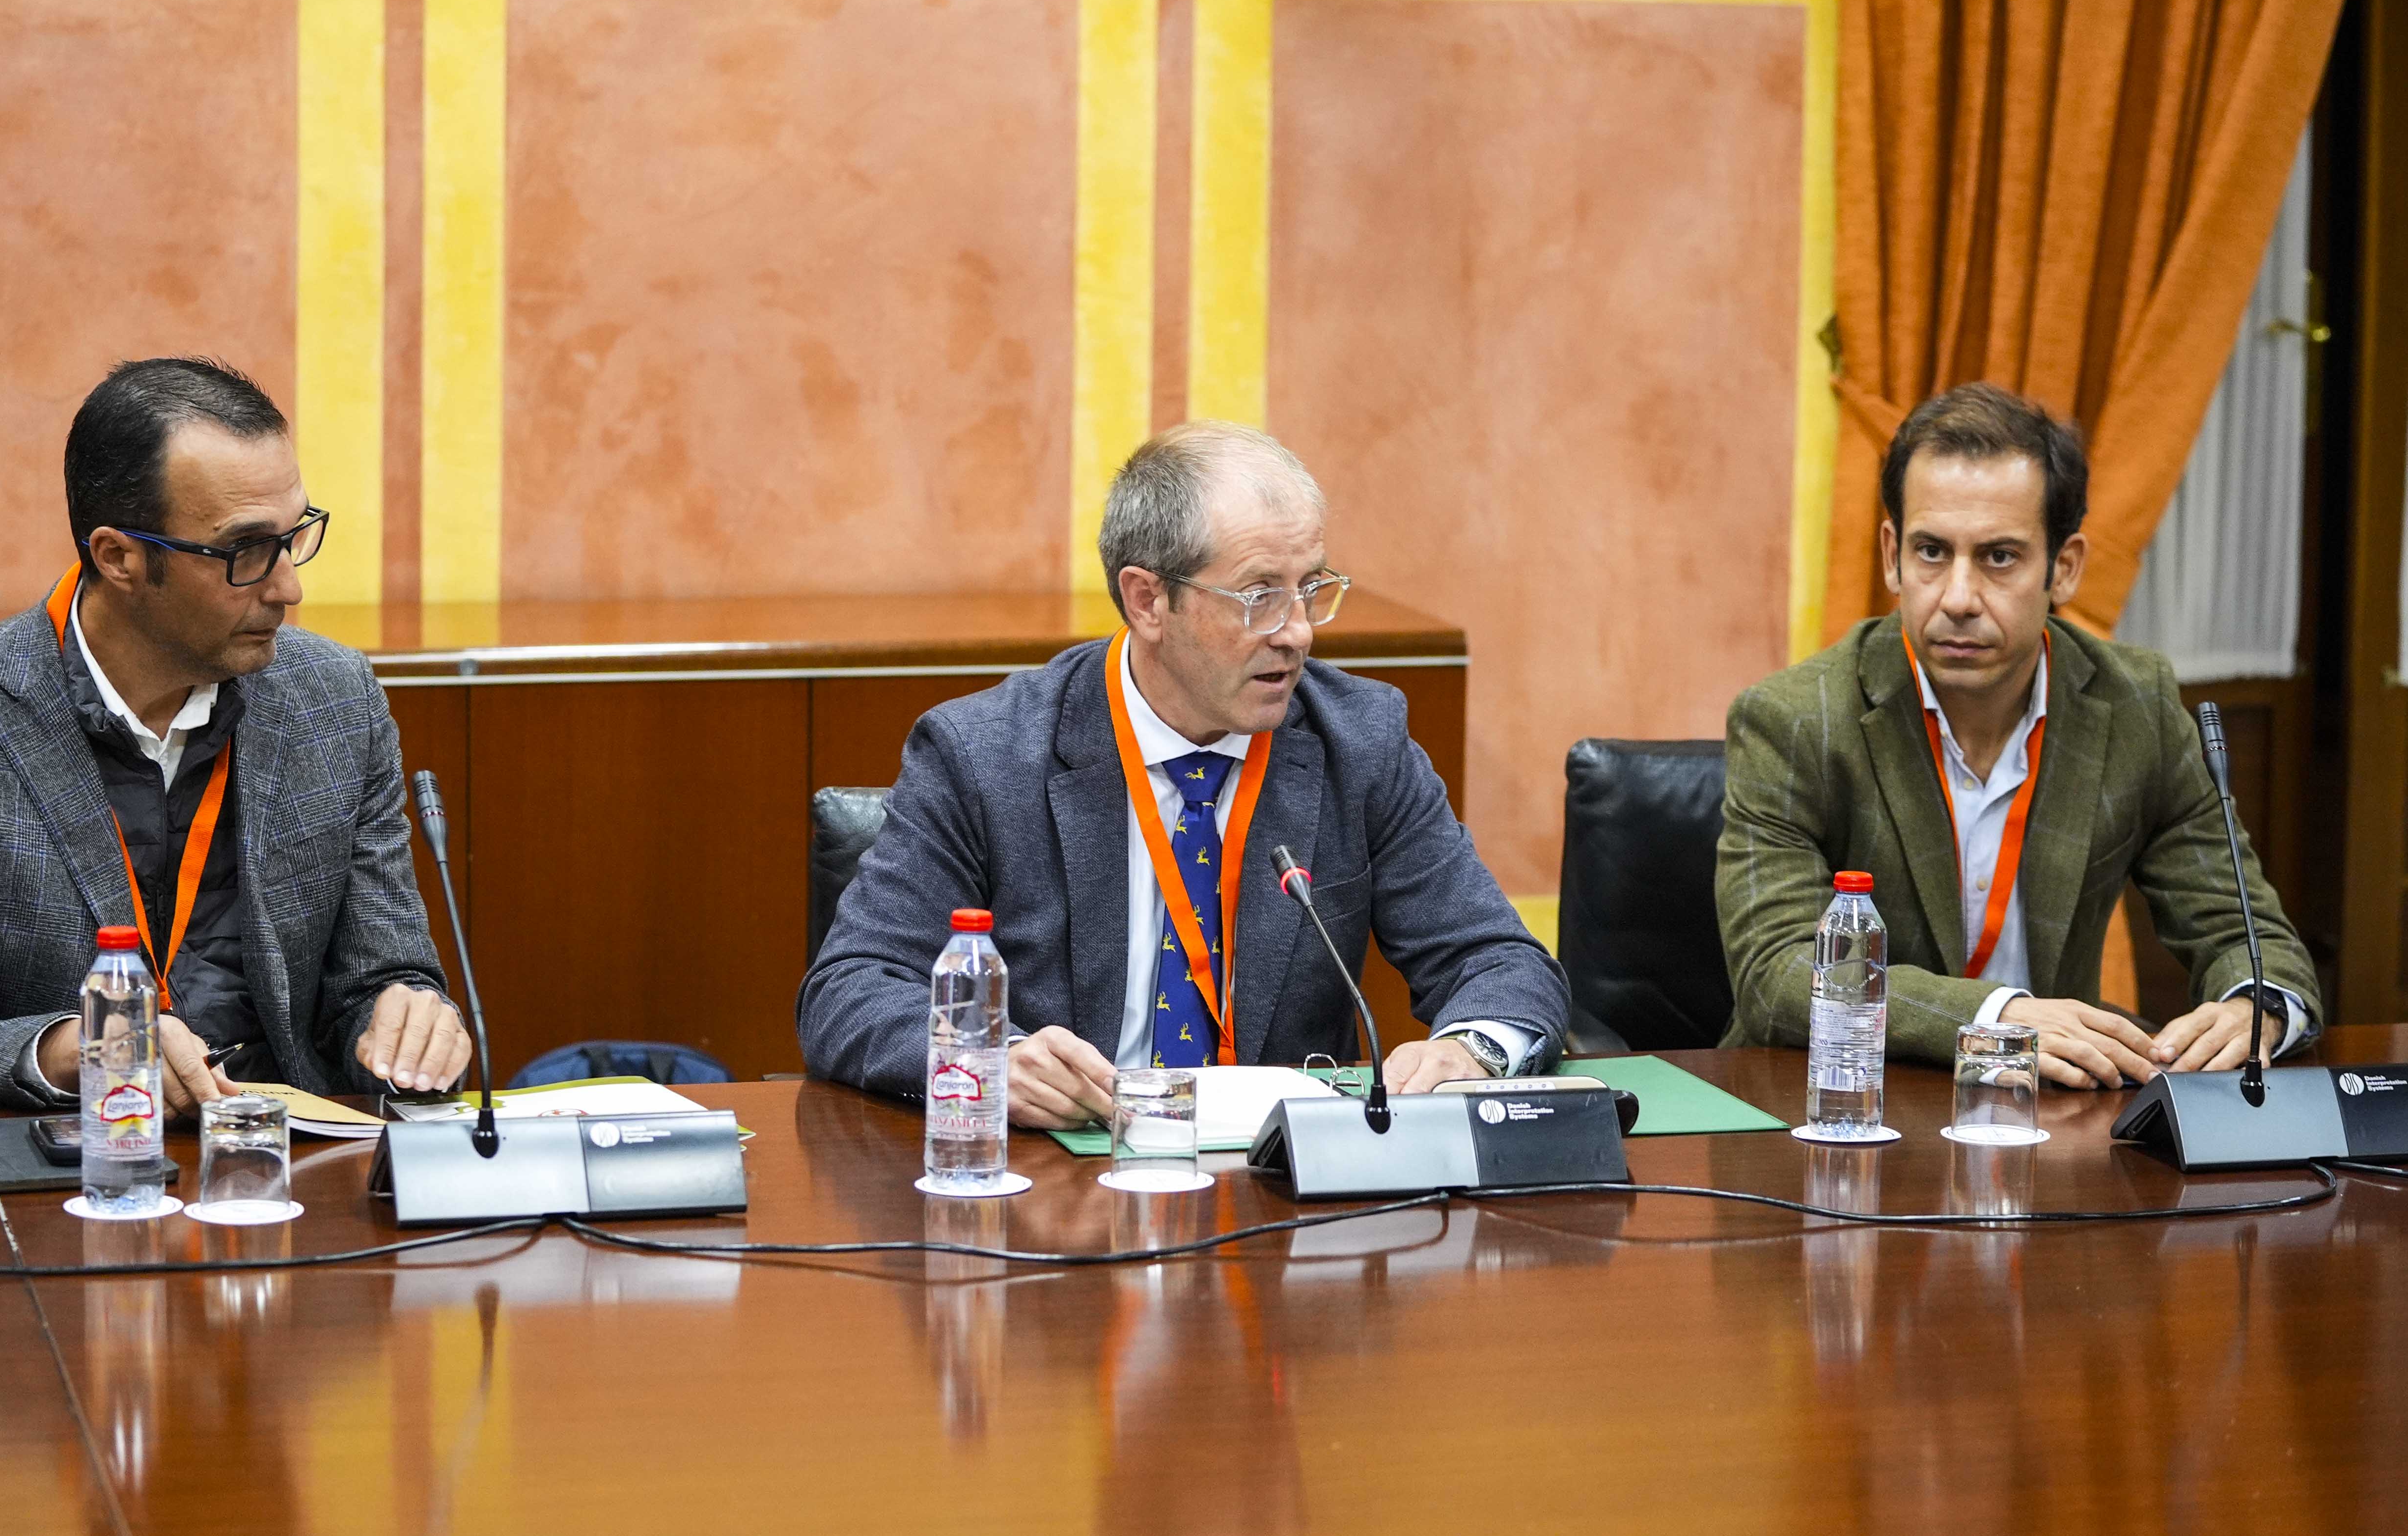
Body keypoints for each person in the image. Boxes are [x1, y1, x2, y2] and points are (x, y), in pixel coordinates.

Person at [799, 420, 1567, 1126]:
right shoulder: (983, 755)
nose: (1297, 631)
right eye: (1260, 595)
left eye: (1311, 588)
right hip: (1063, 1197)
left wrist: (1473, 1049)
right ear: (1147, 601)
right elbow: (850, 988)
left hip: (1279, 1199)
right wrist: (984, 1058)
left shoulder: (1357, 741)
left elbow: (1495, 959)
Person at [0, 357, 471, 1113]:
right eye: (245, 551)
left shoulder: (333, 700)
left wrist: (410, 1019)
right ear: (119, 557)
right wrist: (81, 1047)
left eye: (294, 535)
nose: (289, 586)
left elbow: (378, 979)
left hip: (288, 1169)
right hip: (68, 1182)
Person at [1717, 382, 2319, 1088]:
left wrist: (2255, 1003)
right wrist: (1996, 1016)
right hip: (1841, 1108)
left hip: (2049, 1118)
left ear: (2062, 569)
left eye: (1999, 557)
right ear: (1891, 555)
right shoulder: (1792, 719)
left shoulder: (2134, 708)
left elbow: (2243, 929)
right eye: (1931, 552)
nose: (1959, 597)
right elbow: (1775, 972)